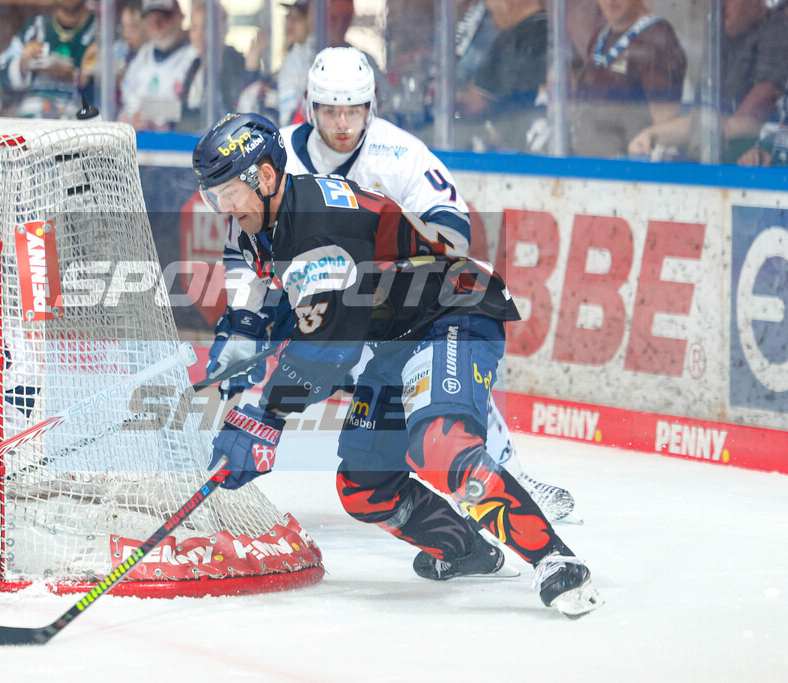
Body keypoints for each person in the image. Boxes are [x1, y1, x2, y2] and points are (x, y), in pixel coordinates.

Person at [193, 113, 601, 617]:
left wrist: (266, 416)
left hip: (452, 314)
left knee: (441, 444)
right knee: (365, 486)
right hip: (397, 336)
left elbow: (331, 347)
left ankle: (556, 561)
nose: (223, 207)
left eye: (230, 191)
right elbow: (250, 317)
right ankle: (466, 551)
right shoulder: (254, 226)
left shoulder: (319, 222)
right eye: (215, 196)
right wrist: (236, 357)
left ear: (268, 177)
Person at [224, 46, 578, 527]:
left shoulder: (400, 153)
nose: (343, 122)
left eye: (354, 109)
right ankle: (226, 469)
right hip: (304, 293)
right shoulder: (277, 152)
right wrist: (247, 316)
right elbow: (242, 234)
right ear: (311, 107)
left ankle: (507, 475)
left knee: (435, 375)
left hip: (384, 296)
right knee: (251, 363)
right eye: (331, 110)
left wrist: (370, 268)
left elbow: (452, 236)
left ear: (372, 107)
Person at [628, 0, 788, 162]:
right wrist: (653, 135)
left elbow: (757, 107)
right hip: (715, 166)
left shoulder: (777, 28)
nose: (719, 6)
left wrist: (706, 140)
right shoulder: (720, 35)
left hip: (754, 172)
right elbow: (702, 120)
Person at [569, 0, 686, 158]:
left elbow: (664, 128)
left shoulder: (656, 38)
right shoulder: (600, 36)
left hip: (628, 173)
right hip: (588, 169)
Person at [455, 0, 548, 151]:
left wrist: (443, 100)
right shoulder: (547, 28)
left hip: (515, 142)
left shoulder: (515, 40)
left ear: (509, 4)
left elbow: (476, 104)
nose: (493, 22)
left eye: (493, 14)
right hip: (523, 137)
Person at [0, 0, 97, 119]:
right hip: (31, 122)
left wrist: (82, 77)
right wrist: (22, 64)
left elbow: (117, 93)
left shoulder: (100, 32)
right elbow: (1, 73)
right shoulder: (35, 27)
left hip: (79, 125)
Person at [176, 0, 263, 132]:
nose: (199, 35)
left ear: (223, 29)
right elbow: (183, 114)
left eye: (205, 27)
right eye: (194, 27)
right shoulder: (192, 68)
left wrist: (250, 72)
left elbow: (245, 116)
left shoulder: (240, 66)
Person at [119, 0, 197, 131]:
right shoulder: (143, 55)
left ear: (180, 17)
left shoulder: (194, 57)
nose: (156, 25)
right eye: (151, 19)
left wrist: (156, 121)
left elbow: (196, 113)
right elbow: (126, 101)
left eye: (163, 18)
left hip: (177, 145)